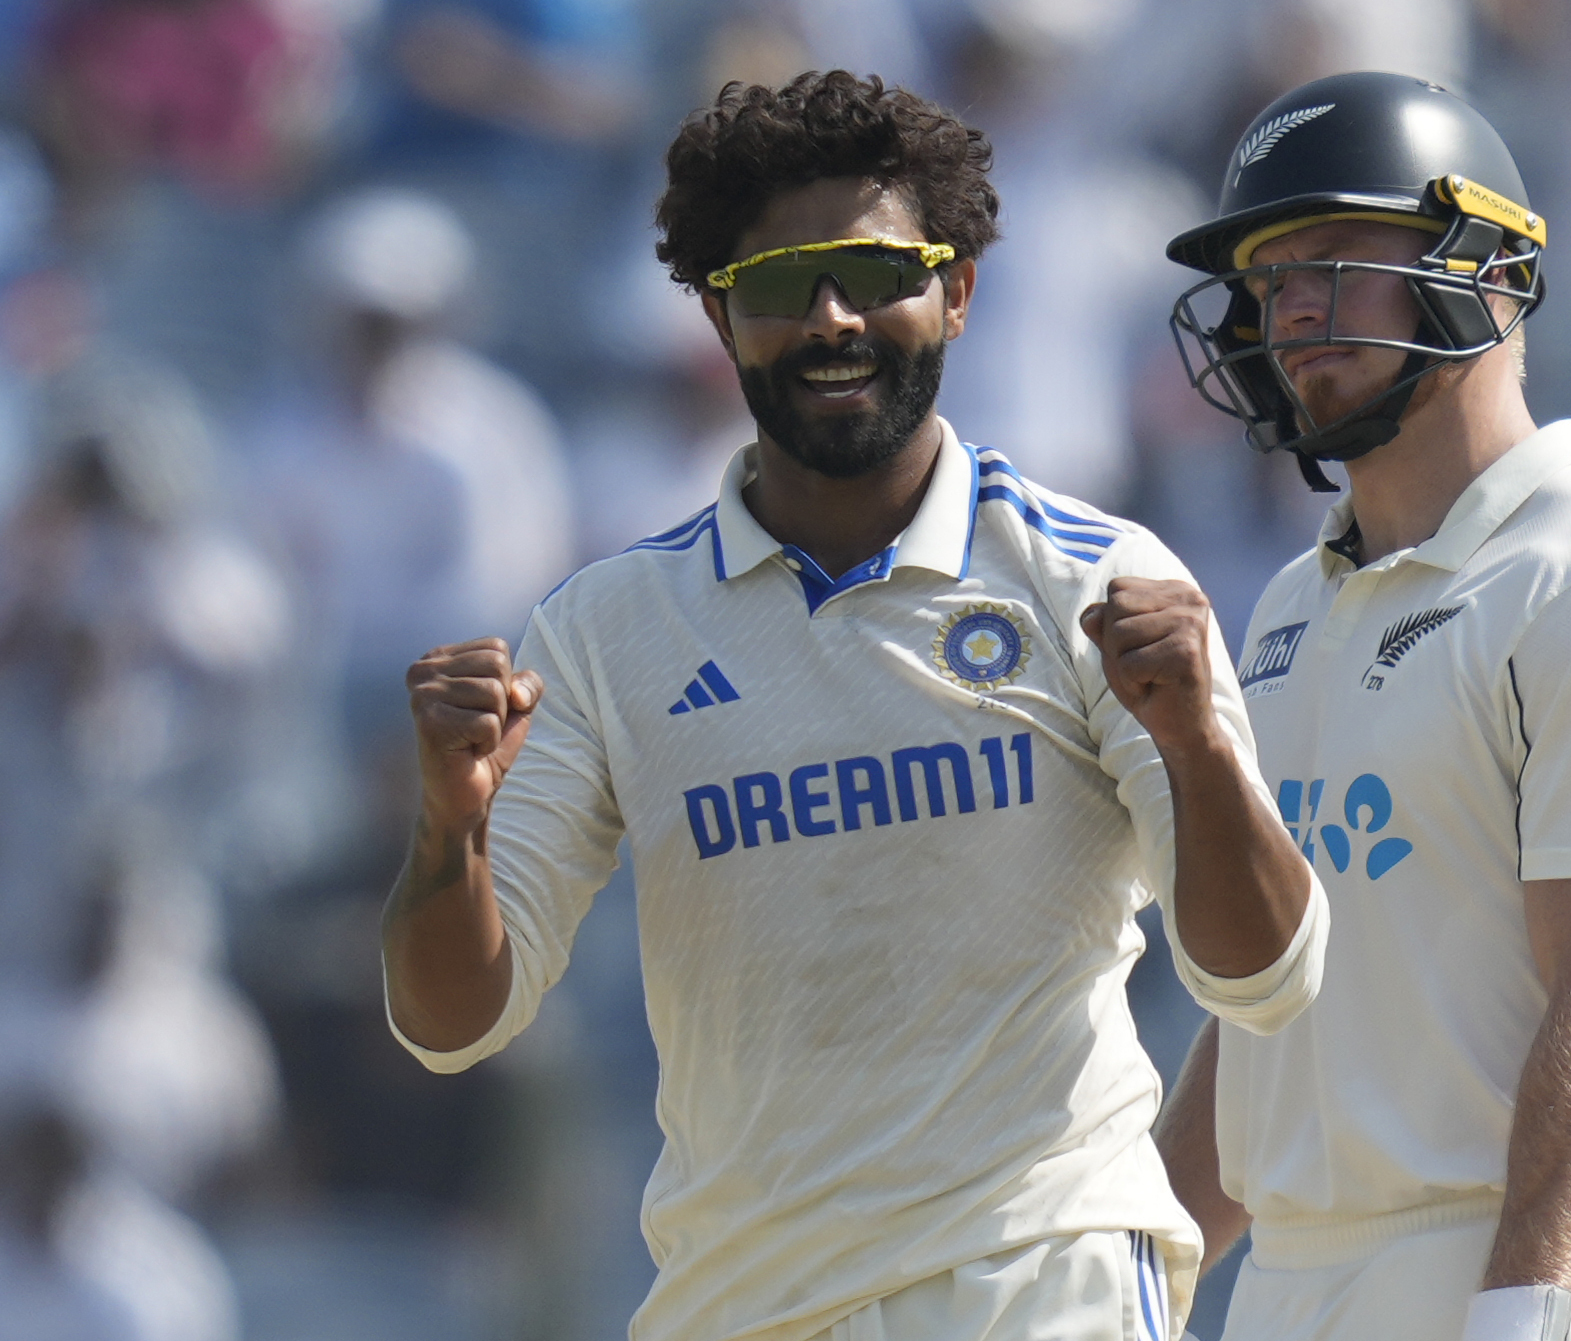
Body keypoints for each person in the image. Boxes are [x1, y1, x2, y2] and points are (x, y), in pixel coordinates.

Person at [380, 70, 1329, 1341]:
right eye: (777, 285)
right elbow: (450, 1022)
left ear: (960, 292)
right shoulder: (607, 628)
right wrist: (451, 827)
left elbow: (1263, 975)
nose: (831, 318)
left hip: (1038, 1283)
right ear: (722, 323)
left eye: (876, 274)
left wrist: (1200, 744)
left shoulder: (1091, 576)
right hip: (742, 1302)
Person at [1154, 72, 1571, 1341]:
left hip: (1513, 1272)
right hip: (1288, 1288)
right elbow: (1274, 1033)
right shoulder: (1284, 610)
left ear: (1487, 267)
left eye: (1338, 259)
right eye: (1271, 278)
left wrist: (1520, 1316)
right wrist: (1127, 1284)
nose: (1294, 310)